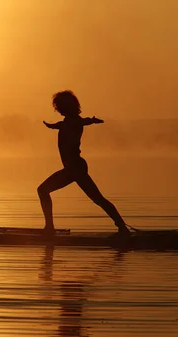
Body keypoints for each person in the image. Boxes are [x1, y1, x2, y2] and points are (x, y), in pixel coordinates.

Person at [38, 90, 129, 235]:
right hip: (73, 168)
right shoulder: (69, 121)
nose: (56, 109)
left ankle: (122, 228)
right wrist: (54, 126)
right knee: (98, 199)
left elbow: (79, 122)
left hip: (75, 168)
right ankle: (122, 227)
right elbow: (68, 124)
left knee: (43, 190)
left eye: (58, 106)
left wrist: (90, 121)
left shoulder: (74, 121)